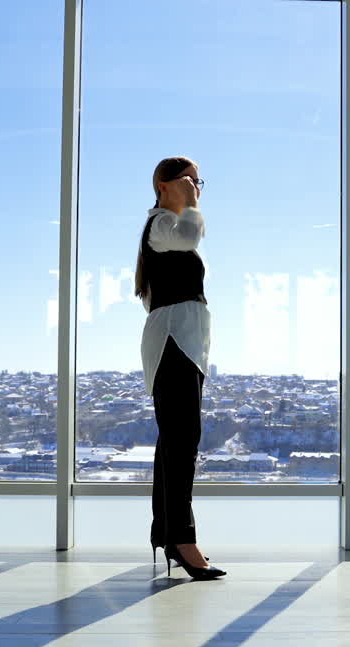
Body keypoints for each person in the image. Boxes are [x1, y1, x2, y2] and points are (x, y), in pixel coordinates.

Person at [134, 156, 225, 581]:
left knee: (174, 442)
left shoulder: (163, 230)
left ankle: (167, 535)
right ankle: (182, 540)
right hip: (174, 342)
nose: (196, 187)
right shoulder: (161, 226)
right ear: (163, 185)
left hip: (183, 343)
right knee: (182, 442)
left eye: (198, 181)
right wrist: (191, 204)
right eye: (188, 180)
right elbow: (190, 237)